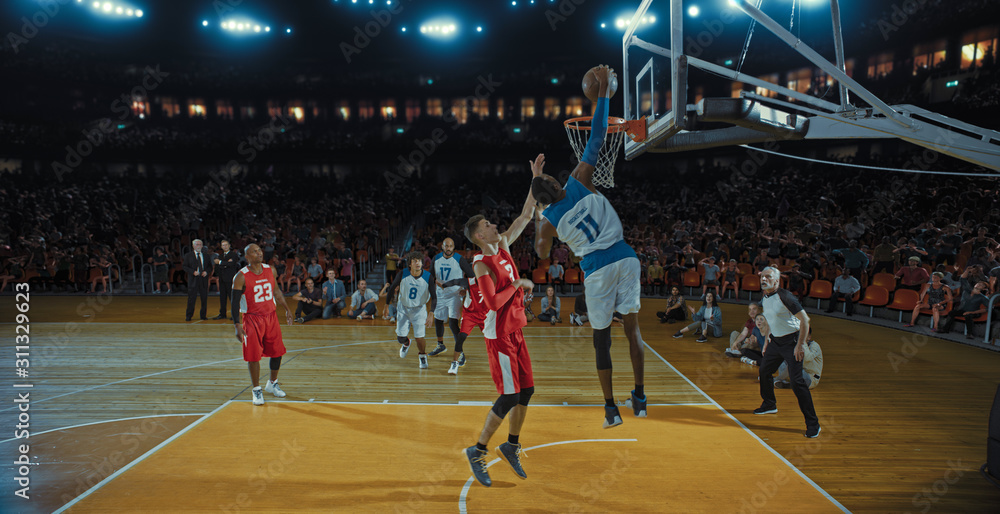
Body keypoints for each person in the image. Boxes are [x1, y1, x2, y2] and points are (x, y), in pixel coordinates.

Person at [531, 66, 647, 428]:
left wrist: (539, 215)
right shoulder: (580, 179)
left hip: (597, 270)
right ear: (556, 181)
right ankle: (640, 399)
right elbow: (597, 135)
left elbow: (540, 254)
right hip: (626, 258)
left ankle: (611, 409)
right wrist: (603, 96)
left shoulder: (548, 221)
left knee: (601, 341)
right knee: (633, 331)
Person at [461, 177, 537, 488]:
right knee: (510, 395)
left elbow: (526, 216)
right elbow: (491, 303)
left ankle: (511, 445)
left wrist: (534, 180)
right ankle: (477, 450)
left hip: (516, 329)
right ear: (480, 234)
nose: (495, 225)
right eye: (489, 224)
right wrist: (518, 285)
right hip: (499, 336)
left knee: (527, 391)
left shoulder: (503, 244)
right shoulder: (481, 264)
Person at [754, 266, 821, 438]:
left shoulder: (786, 297)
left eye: (768, 277)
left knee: (797, 383)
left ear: (776, 280)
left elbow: (805, 320)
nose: (763, 279)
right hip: (776, 341)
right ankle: (769, 404)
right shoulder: (766, 296)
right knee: (764, 371)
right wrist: (768, 339)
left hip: (792, 342)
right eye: (762, 276)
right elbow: (770, 319)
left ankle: (813, 424)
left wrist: (800, 345)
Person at [231, 243, 293, 406]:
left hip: (271, 317)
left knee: (277, 351)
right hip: (251, 319)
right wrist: (237, 324)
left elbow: (277, 291)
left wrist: (287, 309)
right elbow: (234, 302)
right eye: (254, 251)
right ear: (247, 257)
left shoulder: (270, 269)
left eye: (259, 250)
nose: (259, 253)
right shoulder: (240, 276)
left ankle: (272, 384)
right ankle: (256, 389)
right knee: (253, 356)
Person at [380, 252, 436, 369]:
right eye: (415, 261)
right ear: (409, 264)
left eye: (419, 261)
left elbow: (434, 297)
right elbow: (391, 289)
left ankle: (422, 356)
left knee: (419, 337)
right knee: (400, 338)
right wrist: (386, 305)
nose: (417, 263)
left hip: (419, 310)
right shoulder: (402, 273)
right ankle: (406, 343)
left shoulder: (428, 276)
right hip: (403, 308)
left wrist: (431, 313)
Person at [428, 237, 475, 359]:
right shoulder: (436, 259)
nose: (448, 248)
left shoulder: (459, 259)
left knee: (453, 324)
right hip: (440, 295)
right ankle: (440, 345)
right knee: (438, 320)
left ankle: (460, 352)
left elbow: (471, 276)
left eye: (450, 246)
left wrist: (465, 290)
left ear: (453, 247)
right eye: (446, 246)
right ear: (442, 246)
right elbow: (430, 276)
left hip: (455, 295)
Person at [183, 239, 214, 321]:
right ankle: (189, 316)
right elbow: (185, 266)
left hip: (203, 279)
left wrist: (206, 272)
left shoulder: (206, 255)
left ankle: (203, 315)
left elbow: (210, 267)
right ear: (193, 246)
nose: (198, 246)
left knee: (204, 299)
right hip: (193, 280)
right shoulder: (188, 255)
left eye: (200, 244)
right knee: (191, 299)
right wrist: (193, 272)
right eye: (197, 244)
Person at [213, 240, 241, 319]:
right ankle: (222, 314)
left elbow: (231, 264)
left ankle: (234, 315)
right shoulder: (220, 256)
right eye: (223, 245)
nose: (225, 246)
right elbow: (218, 267)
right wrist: (225, 264)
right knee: (222, 298)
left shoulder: (233, 255)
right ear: (221, 247)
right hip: (221, 279)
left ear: (229, 245)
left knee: (232, 297)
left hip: (230, 279)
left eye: (226, 245)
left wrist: (221, 263)